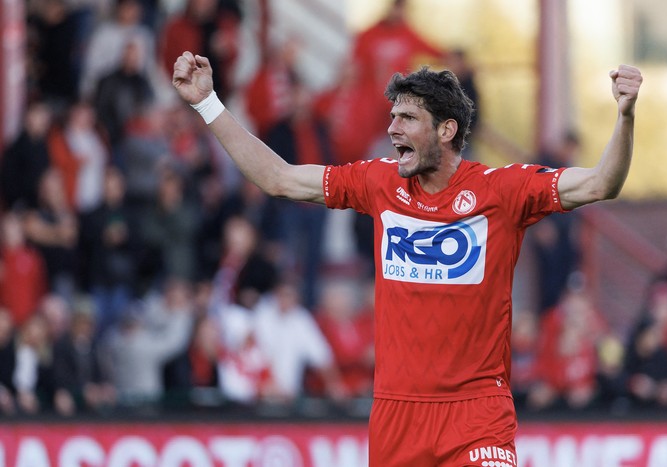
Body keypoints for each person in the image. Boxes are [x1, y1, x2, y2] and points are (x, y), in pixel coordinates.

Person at [172, 51, 642, 466]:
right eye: (392, 116)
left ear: (446, 129)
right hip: (397, 415)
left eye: (407, 118)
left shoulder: (501, 190)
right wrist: (207, 104)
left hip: (477, 412)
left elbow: (603, 183)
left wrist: (625, 116)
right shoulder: (379, 183)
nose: (392, 128)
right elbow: (279, 178)